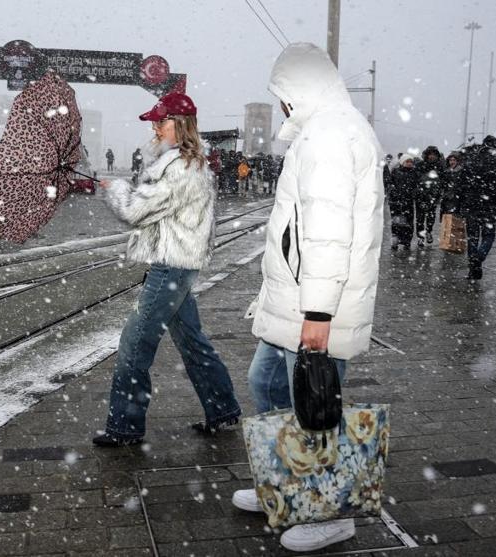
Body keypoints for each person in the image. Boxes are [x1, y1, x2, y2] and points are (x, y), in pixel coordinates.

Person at [231, 43, 384, 553]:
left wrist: (318, 313)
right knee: (268, 382)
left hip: (314, 306)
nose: (280, 103)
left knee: (314, 406)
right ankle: (284, 485)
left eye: (283, 93)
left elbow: (327, 232)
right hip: (293, 300)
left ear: (302, 88)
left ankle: (329, 512)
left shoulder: (331, 135)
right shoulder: (324, 130)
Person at [92, 91, 242, 447]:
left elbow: (135, 211)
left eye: (162, 121)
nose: (156, 128)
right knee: (191, 341)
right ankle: (223, 410)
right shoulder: (187, 164)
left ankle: (125, 428)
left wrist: (118, 189)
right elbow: (159, 210)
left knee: (134, 344)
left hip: (171, 266)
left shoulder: (181, 168)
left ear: (181, 124)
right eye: (155, 122)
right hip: (180, 264)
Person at [460, 135, 496, 280]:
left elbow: (461, 183)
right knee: (488, 235)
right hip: (489, 204)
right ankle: (479, 257)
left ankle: (473, 269)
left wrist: (465, 199)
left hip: (472, 205)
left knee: (473, 237)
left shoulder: (472, 160)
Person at [414, 146, 444, 247]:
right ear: (426, 155)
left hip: (433, 196)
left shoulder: (439, 166)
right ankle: (420, 238)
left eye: (434, 154)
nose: (432, 156)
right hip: (420, 196)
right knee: (420, 219)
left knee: (431, 217)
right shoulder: (420, 165)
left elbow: (442, 180)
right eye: (430, 154)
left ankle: (428, 232)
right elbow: (416, 180)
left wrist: (438, 193)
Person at [388, 154, 419, 250]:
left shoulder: (414, 173)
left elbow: (416, 186)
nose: (409, 163)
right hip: (396, 202)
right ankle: (395, 241)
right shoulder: (395, 172)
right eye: (407, 161)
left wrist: (413, 193)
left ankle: (406, 241)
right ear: (402, 162)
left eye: (411, 162)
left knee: (408, 223)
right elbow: (390, 183)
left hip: (408, 202)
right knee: (396, 223)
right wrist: (394, 193)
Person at [439, 151, 465, 216]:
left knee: (455, 217)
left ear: (457, 161)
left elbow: (463, 185)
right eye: (450, 160)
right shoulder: (446, 172)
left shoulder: (462, 171)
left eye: (454, 160)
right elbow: (443, 184)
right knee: (446, 217)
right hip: (446, 199)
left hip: (457, 199)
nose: (452, 162)